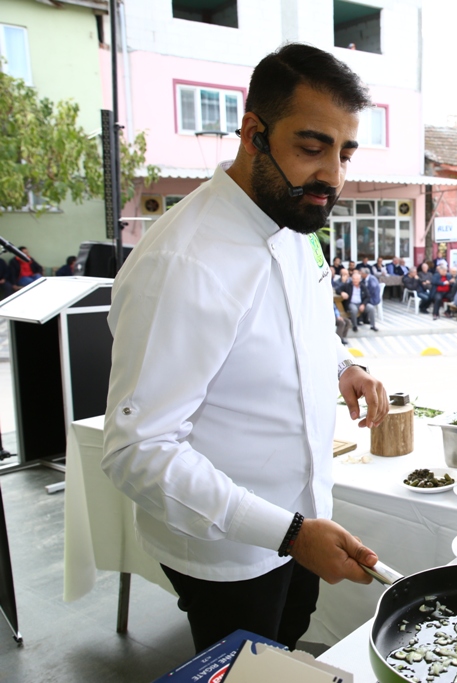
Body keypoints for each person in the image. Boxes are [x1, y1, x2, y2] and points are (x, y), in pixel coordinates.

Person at [102, 44, 388, 654]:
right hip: (228, 547)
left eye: (344, 153)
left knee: (286, 644)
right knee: (243, 665)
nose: (333, 176)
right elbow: (138, 450)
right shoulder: (184, 262)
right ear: (254, 133)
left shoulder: (293, 218)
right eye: (311, 147)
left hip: (303, 517)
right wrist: (288, 533)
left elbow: (303, 322)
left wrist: (344, 364)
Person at [339, 260, 378, 332]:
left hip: (361, 303)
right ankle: (355, 326)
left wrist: (363, 304)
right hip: (352, 303)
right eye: (354, 279)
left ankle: (373, 326)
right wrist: (342, 292)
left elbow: (368, 296)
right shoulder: (348, 285)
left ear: (360, 280)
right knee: (354, 310)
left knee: (371, 308)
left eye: (357, 279)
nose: (355, 281)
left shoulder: (362, 286)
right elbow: (338, 289)